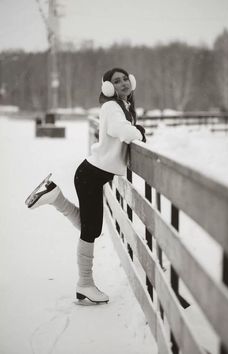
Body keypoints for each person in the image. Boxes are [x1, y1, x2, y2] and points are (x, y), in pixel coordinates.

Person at [25, 67, 146, 304]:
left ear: (131, 82)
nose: (123, 83)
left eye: (125, 79)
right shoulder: (112, 107)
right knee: (90, 231)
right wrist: (139, 132)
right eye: (116, 81)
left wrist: (135, 128)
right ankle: (85, 284)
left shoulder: (124, 107)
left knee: (90, 227)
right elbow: (119, 130)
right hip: (90, 176)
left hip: (91, 175)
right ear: (108, 88)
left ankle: (54, 196)